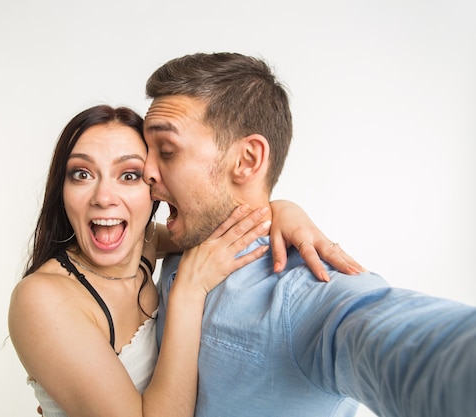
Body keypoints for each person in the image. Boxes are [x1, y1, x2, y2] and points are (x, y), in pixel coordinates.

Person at [144, 52, 476, 417]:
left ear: (248, 160)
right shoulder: (179, 242)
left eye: (167, 151)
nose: (146, 171)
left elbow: (400, 340)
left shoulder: (306, 293)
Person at [8, 105, 362, 417]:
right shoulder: (43, 299)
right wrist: (188, 293)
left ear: (154, 188)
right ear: (62, 189)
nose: (103, 196)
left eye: (129, 175)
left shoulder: (143, 245)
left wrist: (283, 211)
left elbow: (219, 221)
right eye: (81, 174)